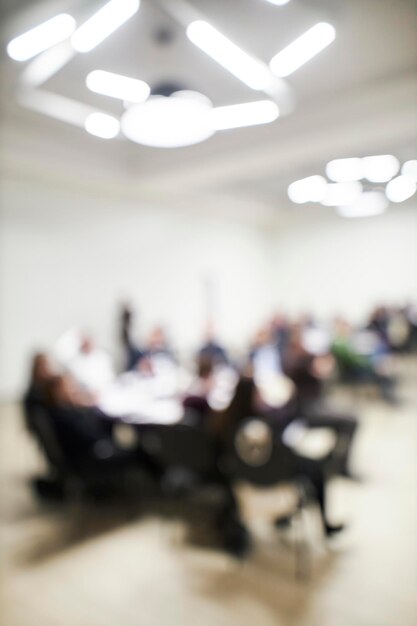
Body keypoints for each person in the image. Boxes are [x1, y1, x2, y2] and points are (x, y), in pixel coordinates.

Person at [209, 375, 345, 537]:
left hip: (240, 478)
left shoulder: (224, 423)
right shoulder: (264, 426)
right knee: (314, 469)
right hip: (269, 476)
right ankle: (324, 525)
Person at [282, 324, 358, 479]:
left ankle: (334, 462)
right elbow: (316, 369)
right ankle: (337, 465)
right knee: (350, 421)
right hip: (306, 410)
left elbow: (323, 369)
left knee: (349, 418)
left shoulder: (307, 357)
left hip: (316, 405)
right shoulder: (294, 360)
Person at [23, 352, 54, 431]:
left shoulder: (54, 386)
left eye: (47, 365)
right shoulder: (33, 394)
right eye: (42, 366)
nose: (46, 369)